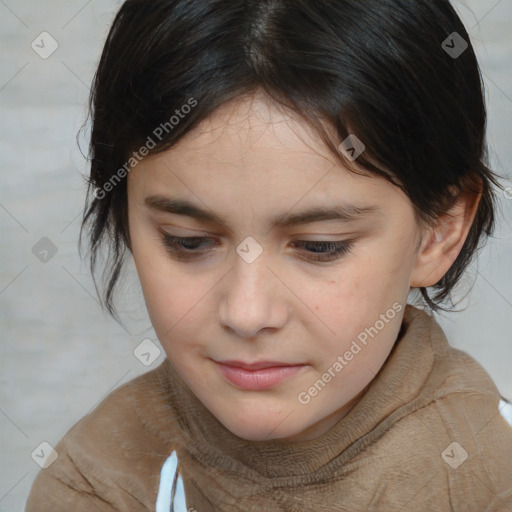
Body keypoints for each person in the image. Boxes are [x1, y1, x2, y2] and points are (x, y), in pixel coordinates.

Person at [25, 0, 512, 510]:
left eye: (319, 246)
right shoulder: (99, 482)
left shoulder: (488, 473)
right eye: (188, 241)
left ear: (439, 230)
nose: (246, 313)